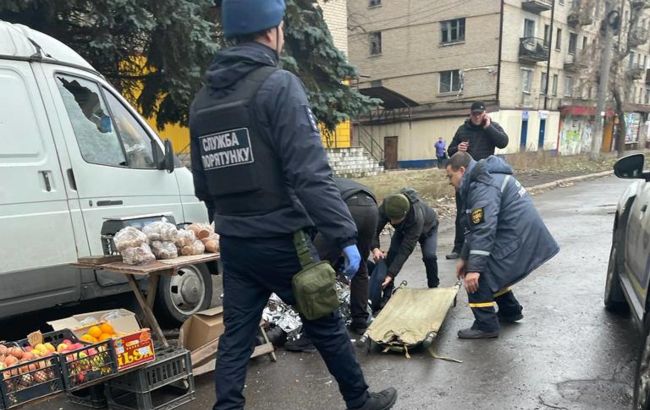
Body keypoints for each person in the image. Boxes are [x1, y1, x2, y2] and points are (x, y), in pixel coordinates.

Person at [189, 1, 397, 409]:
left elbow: (203, 182)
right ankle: (360, 401)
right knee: (324, 323)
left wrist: (227, 223)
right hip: (283, 239)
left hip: (235, 242)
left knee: (236, 336)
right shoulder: (278, 85)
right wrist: (344, 235)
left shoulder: (202, 103)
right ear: (272, 31)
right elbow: (311, 173)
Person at [445, 152, 559, 339]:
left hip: (519, 238)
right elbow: (475, 228)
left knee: (478, 276)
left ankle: (486, 325)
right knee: (481, 265)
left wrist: (473, 268)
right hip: (521, 235)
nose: (450, 182)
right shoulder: (483, 179)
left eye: (450, 176)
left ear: (462, 170)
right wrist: (464, 258)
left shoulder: (483, 186)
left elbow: (483, 228)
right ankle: (510, 311)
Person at [285, 178, 379, 352]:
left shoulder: (304, 187)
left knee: (315, 274)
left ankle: (310, 337)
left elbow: (308, 225)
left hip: (346, 209)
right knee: (360, 267)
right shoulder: (328, 180)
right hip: (371, 207)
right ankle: (360, 321)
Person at [446, 101, 509, 260]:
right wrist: (457, 148)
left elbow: (503, 142)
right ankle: (459, 247)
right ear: (470, 113)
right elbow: (450, 151)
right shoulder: (463, 129)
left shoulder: (491, 127)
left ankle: (487, 245)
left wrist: (488, 127)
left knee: (485, 212)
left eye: (479, 114)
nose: (476, 117)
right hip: (464, 177)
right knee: (463, 213)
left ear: (484, 114)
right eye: (474, 114)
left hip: (485, 177)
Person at [371, 189, 439, 298]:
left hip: (428, 230)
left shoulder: (416, 217)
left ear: (405, 214)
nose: (392, 223)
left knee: (429, 256)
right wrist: (375, 248)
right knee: (392, 255)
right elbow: (373, 229)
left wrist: (391, 273)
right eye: (390, 219)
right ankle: (387, 295)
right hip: (403, 230)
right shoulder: (387, 207)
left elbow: (405, 250)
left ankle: (433, 287)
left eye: (395, 219)